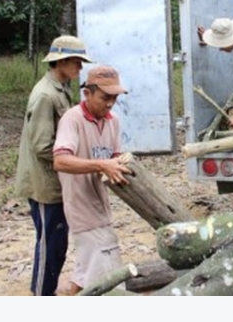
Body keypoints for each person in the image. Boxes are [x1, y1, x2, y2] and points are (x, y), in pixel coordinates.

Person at [15, 34, 92, 296]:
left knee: (57, 243)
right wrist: (72, 159)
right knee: (50, 245)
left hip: (56, 182)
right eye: (76, 62)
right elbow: (42, 145)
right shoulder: (46, 95)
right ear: (61, 61)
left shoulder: (60, 89)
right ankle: (41, 296)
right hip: (45, 184)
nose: (80, 68)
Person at [53, 65, 131, 295]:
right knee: (107, 271)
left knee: (87, 266)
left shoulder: (112, 120)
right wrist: (100, 164)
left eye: (114, 98)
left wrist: (121, 166)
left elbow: (115, 158)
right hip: (80, 205)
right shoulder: (72, 119)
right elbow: (60, 161)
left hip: (101, 204)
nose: (109, 104)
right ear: (87, 93)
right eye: (105, 98)